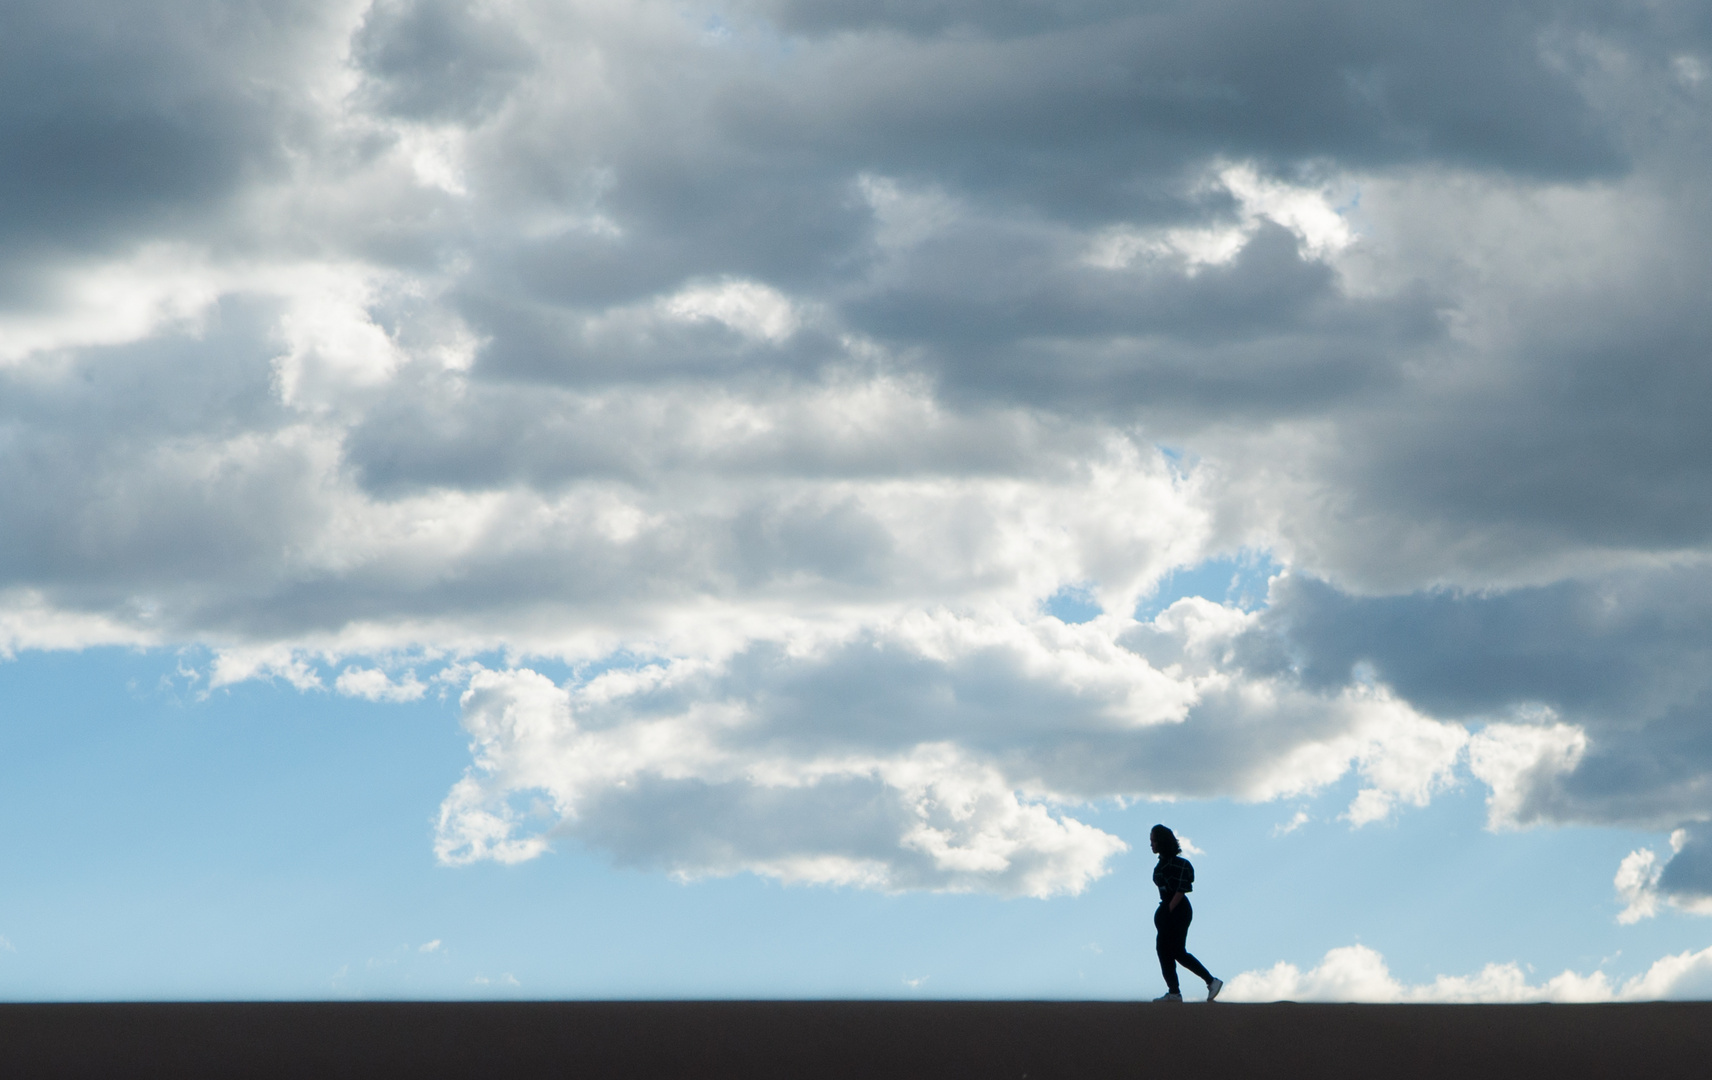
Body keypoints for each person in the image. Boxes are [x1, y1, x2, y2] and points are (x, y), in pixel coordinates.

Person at [1150, 824, 1222, 1002]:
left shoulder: (1181, 865)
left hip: (1178, 910)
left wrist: (1168, 910)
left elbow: (1181, 890)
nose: (1151, 844)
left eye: (1153, 841)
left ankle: (1210, 981)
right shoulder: (1160, 866)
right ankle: (1174, 992)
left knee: (1177, 951)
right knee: (1163, 950)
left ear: (1161, 842)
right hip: (1167, 909)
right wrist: (1164, 912)